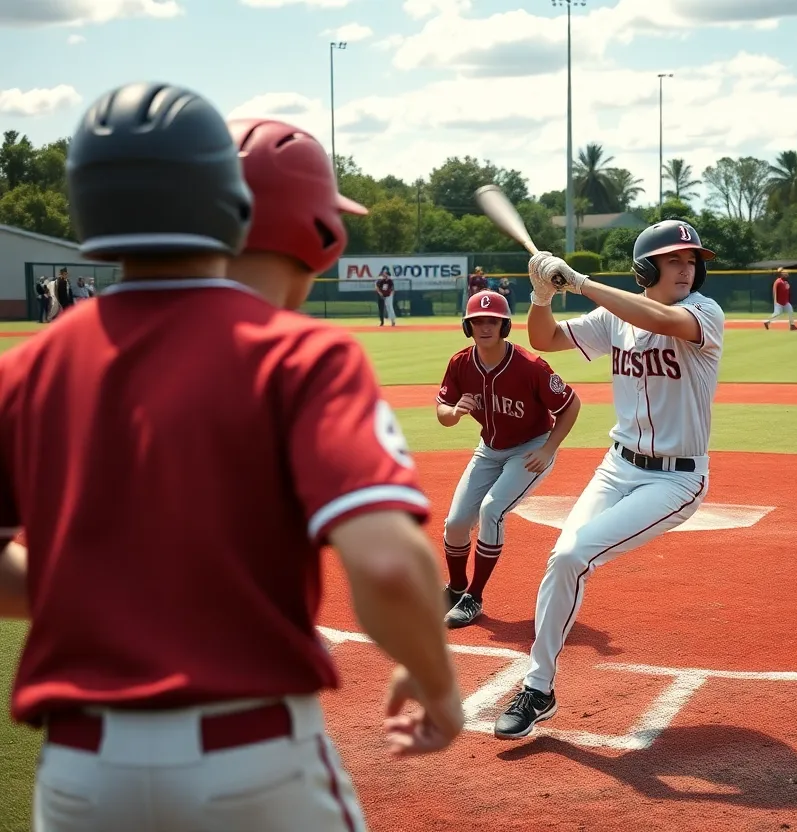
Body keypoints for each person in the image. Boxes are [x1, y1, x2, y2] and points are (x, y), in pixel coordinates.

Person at [0, 85, 463, 831]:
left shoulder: (25, 369)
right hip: (252, 763)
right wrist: (438, 684)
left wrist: (104, 574)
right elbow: (386, 563)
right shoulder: (302, 355)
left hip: (80, 775)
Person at [492, 220, 723, 740]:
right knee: (563, 558)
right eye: (674, 260)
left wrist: (579, 281)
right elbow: (545, 339)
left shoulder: (703, 313)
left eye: (692, 261)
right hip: (617, 466)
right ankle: (541, 688)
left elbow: (660, 319)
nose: (687, 268)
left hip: (675, 481)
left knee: (576, 555)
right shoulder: (614, 320)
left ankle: (535, 682)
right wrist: (542, 294)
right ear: (646, 268)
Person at [435, 289, 581, 628]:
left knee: (492, 509)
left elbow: (571, 405)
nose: (485, 327)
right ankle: (456, 588)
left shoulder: (530, 367)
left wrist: (548, 449)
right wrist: (454, 412)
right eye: (477, 321)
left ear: (505, 326)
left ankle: (474, 596)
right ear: (467, 327)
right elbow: (442, 411)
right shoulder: (460, 363)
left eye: (493, 321)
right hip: (489, 449)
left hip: (530, 448)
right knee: (456, 523)